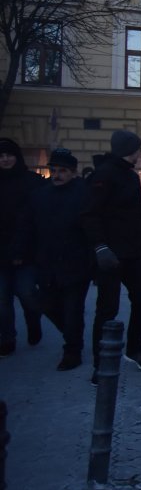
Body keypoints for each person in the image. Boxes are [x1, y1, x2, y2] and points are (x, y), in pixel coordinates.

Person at [80, 130, 141, 376]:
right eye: (137, 149)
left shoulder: (131, 177)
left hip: (133, 252)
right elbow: (90, 215)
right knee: (107, 310)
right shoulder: (103, 175)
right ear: (129, 150)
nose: (140, 153)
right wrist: (100, 247)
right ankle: (100, 363)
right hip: (111, 255)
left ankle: (135, 348)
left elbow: (138, 216)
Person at [27, 148, 90, 371]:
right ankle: (72, 335)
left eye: (62, 171)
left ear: (73, 172)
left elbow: (91, 229)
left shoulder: (84, 194)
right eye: (53, 170)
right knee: (47, 305)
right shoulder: (40, 196)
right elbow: (30, 228)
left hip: (76, 263)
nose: (57, 175)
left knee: (73, 310)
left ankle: (72, 351)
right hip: (47, 264)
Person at [0, 137, 46, 357]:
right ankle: (7, 339)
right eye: (1, 156)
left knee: (26, 292)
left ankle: (33, 317)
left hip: (26, 251)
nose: (5, 159)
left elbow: (34, 220)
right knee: (2, 300)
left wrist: (22, 249)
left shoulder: (31, 182)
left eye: (9, 155)